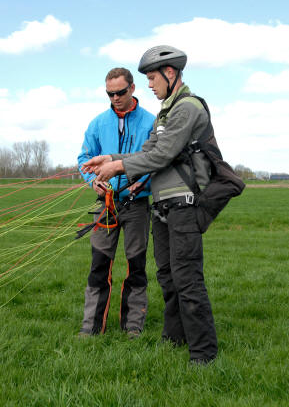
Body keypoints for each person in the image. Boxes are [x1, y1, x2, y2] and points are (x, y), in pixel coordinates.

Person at [81, 46, 218, 364]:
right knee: (168, 276)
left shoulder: (187, 108)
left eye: (153, 77)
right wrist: (111, 158)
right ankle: (174, 340)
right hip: (163, 206)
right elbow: (147, 151)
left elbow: (163, 154)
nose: (150, 84)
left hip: (185, 202)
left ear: (170, 74)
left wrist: (117, 168)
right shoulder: (165, 115)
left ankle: (203, 354)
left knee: (187, 277)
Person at [77, 67, 155, 338]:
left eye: (120, 92)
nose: (115, 98)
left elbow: (157, 160)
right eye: (110, 94)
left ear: (133, 89)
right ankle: (91, 329)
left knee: (136, 266)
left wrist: (142, 182)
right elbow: (84, 159)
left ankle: (133, 327)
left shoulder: (151, 123)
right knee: (99, 265)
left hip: (138, 206)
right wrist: (92, 182)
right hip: (105, 205)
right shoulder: (98, 123)